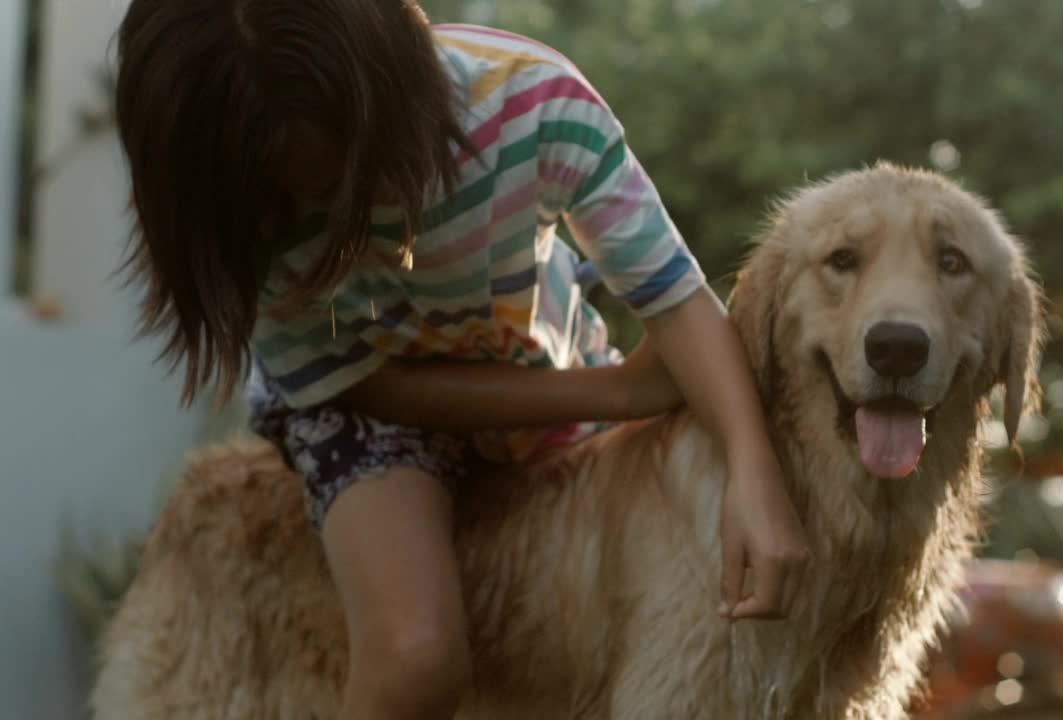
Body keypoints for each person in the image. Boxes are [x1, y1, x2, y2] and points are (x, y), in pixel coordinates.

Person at [113, 2, 809, 718]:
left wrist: (752, 472)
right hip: (367, 408)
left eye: (334, 185)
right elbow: (366, 386)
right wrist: (616, 394)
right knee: (416, 658)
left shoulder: (533, 104)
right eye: (287, 202)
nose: (318, 218)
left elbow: (676, 298)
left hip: (540, 360)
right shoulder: (234, 219)